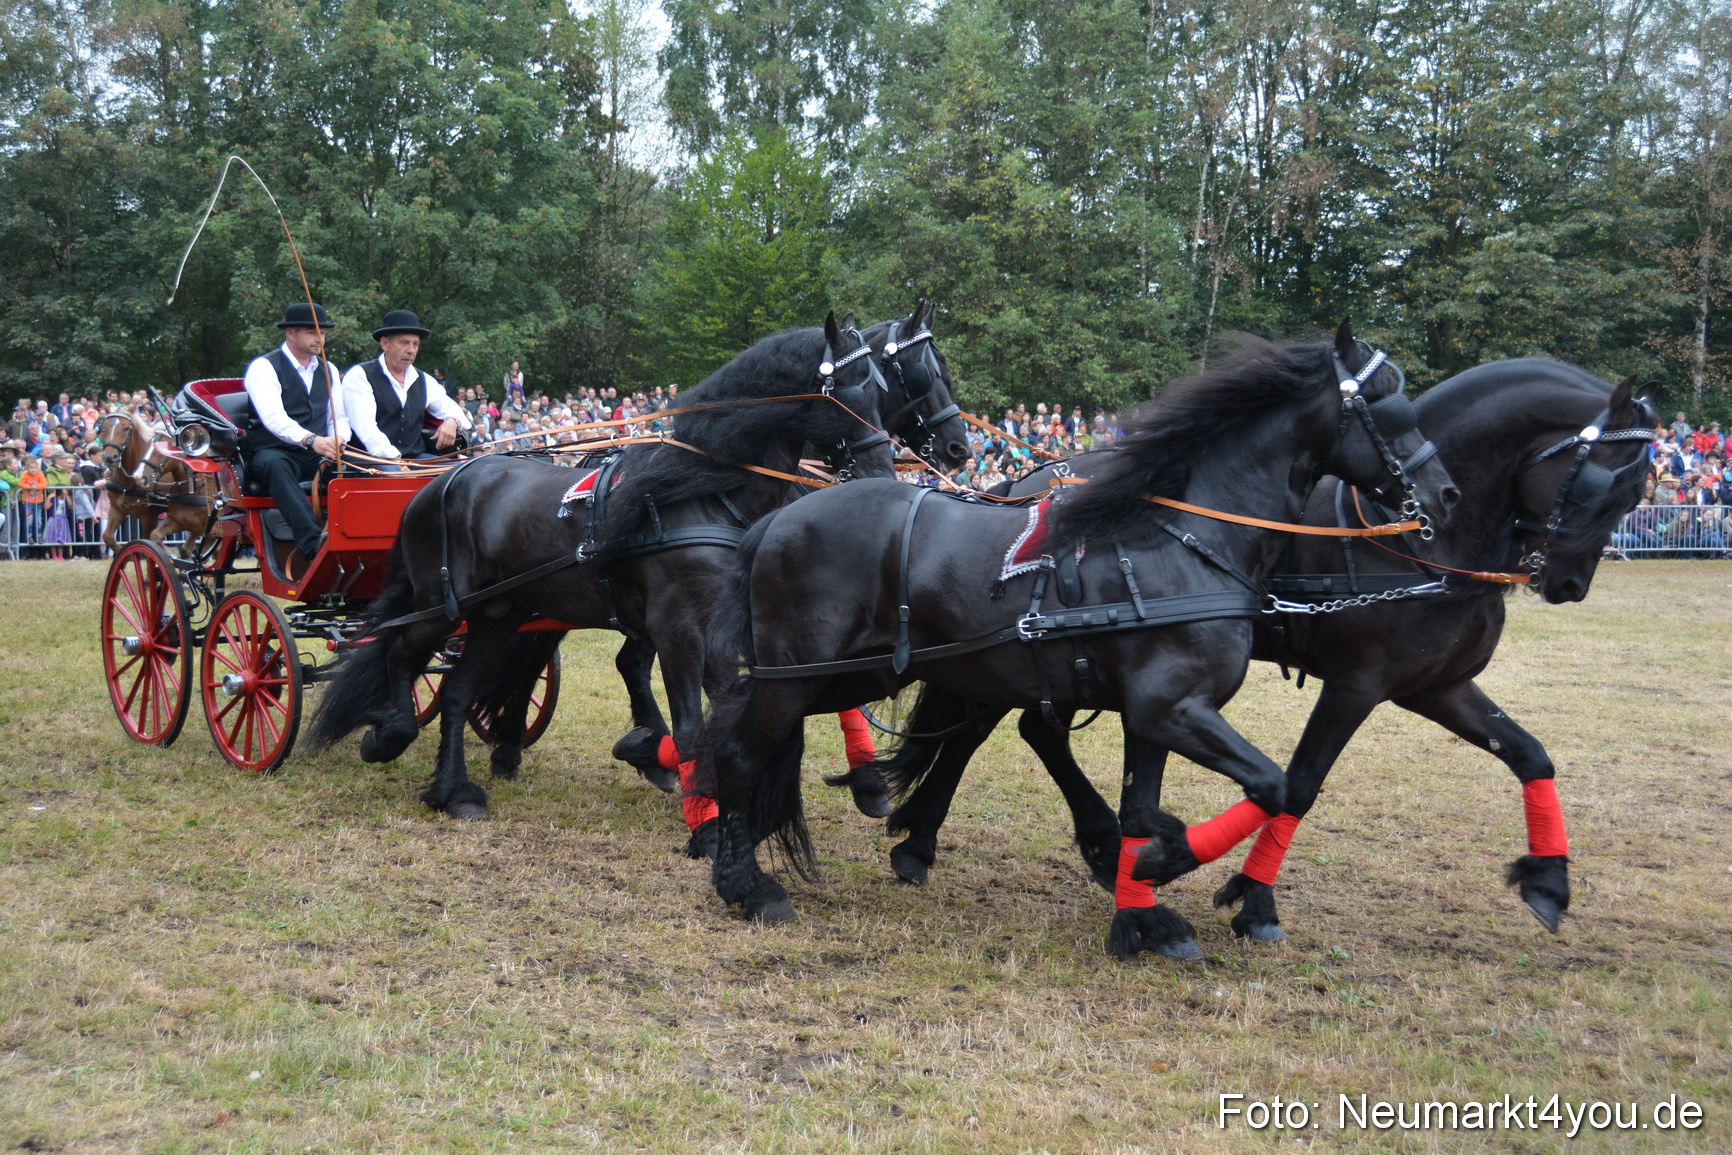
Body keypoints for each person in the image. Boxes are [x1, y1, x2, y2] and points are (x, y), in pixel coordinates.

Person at [242, 301, 345, 564]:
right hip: (274, 451)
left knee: (359, 467)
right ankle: (312, 545)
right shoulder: (264, 367)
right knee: (276, 466)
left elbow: (338, 417)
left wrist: (339, 439)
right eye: (312, 332)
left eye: (322, 332)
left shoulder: (329, 369)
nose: (319, 338)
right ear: (290, 333)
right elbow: (273, 417)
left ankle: (357, 537)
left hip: (319, 451)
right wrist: (310, 439)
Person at [340, 310, 470, 465]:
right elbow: (366, 430)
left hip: (414, 459)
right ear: (385, 343)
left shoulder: (424, 380)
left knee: (461, 472)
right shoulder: (360, 375)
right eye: (404, 343)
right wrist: (397, 463)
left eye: (415, 344)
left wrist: (452, 421)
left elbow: (456, 412)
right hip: (371, 460)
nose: (411, 350)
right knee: (395, 478)